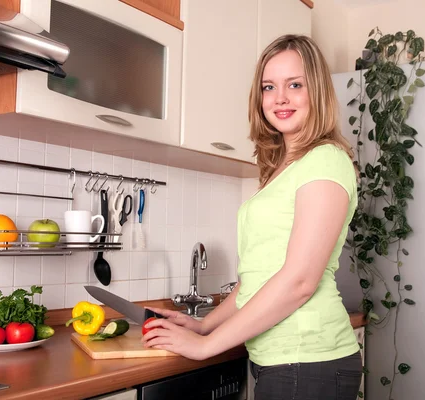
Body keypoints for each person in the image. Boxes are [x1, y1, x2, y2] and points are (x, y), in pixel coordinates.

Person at [142, 34, 363, 400]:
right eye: (268, 87)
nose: (280, 98)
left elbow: (299, 281)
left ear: (318, 92)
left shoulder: (326, 160)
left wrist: (204, 346)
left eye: (295, 84)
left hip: (308, 360)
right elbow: (258, 278)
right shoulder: (282, 168)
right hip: (284, 362)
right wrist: (203, 325)